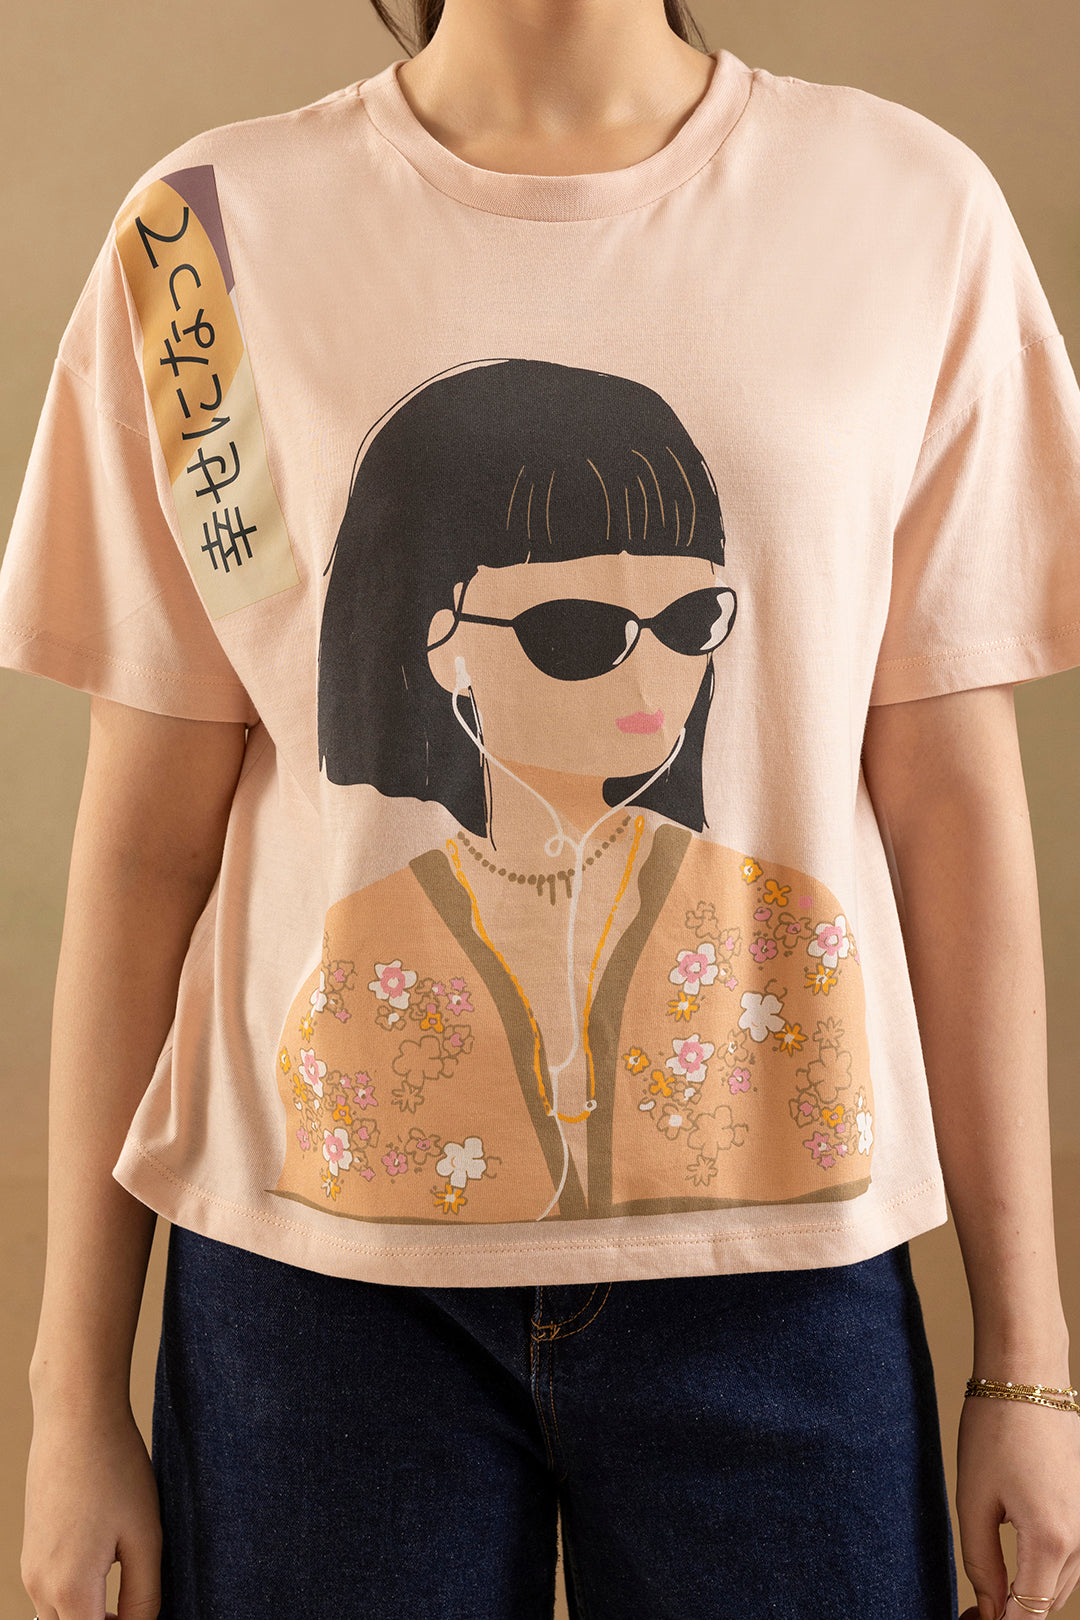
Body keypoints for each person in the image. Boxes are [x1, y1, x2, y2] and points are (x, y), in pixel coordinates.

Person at [7, 1, 1080, 1616]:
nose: (653, 675)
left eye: (693, 621)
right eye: (576, 632)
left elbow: (953, 817)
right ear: (438, 643)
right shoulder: (201, 247)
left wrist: (1030, 1364)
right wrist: (73, 1396)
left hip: (784, 1280)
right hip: (319, 1302)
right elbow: (146, 849)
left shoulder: (910, 208)